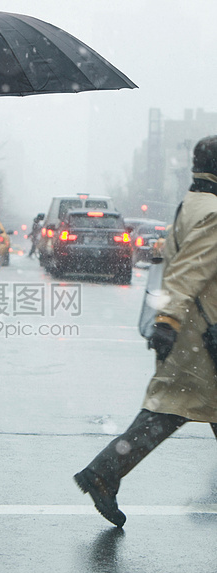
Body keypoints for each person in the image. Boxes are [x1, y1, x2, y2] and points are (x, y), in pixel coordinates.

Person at [74, 135, 217, 528]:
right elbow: (190, 270)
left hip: (187, 331)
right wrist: (168, 321)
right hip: (200, 333)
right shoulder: (214, 211)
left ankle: (104, 471)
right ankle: (104, 472)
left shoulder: (193, 203)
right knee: (166, 409)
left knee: (168, 408)